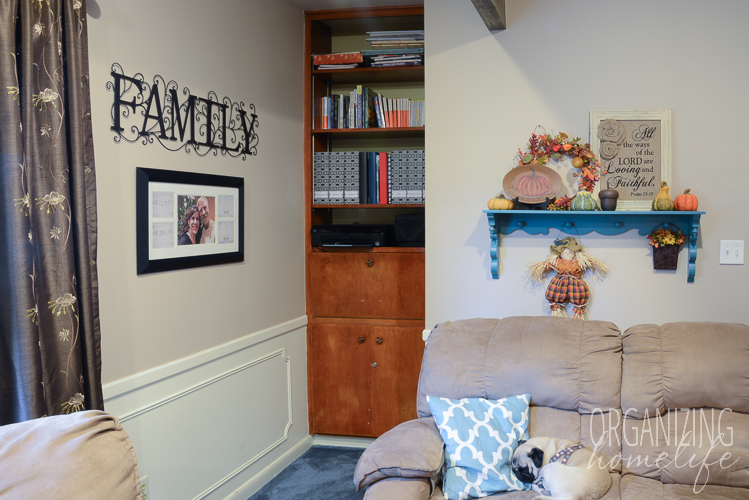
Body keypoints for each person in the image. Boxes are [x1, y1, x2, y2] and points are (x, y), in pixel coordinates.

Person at [528, 237, 608, 319]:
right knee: (555, 293)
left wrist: (598, 265)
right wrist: (538, 268)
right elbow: (546, 265)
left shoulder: (577, 261)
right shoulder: (557, 261)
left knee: (579, 294)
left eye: (570, 252)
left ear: (575, 253)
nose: (567, 253)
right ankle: (556, 314)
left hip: (575, 281)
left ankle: (578, 315)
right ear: (560, 253)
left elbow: (590, 262)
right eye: (565, 252)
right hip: (559, 282)